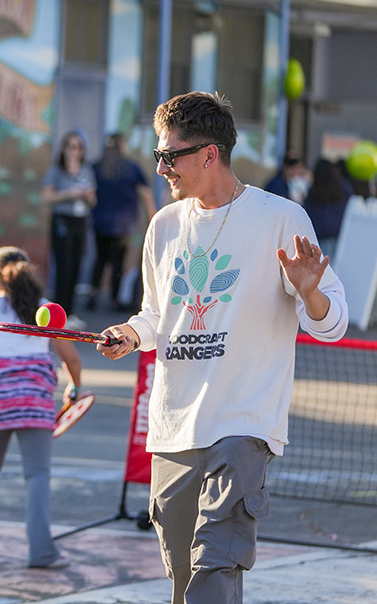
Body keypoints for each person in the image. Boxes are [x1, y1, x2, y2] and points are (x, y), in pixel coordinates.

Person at [97, 91, 348, 604]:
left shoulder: (282, 218)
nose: (161, 167)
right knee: (183, 575)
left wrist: (309, 292)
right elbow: (153, 314)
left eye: (171, 155)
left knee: (217, 565)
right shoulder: (163, 226)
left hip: (243, 422)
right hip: (174, 425)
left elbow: (333, 325)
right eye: (159, 155)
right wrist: (130, 335)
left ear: (209, 154)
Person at [0, 246, 82, 569]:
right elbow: (71, 358)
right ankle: (41, 552)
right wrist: (74, 388)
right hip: (35, 401)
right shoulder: (46, 309)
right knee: (37, 473)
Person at [87, 132, 156, 312]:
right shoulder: (131, 168)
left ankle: (93, 294)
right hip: (123, 224)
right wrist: (153, 216)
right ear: (122, 145)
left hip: (100, 221)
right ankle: (114, 299)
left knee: (100, 259)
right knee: (118, 261)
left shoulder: (96, 167)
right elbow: (145, 194)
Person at [42, 130, 95, 329]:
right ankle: (58, 313)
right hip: (62, 219)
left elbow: (93, 200)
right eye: (72, 146)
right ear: (64, 149)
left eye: (79, 147)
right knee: (62, 265)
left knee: (75, 265)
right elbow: (47, 198)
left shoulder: (86, 170)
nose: (75, 151)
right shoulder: (56, 171)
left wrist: (87, 196)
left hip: (80, 220)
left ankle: (70, 312)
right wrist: (69, 194)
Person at [302, 158, 354, 257]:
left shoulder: (314, 190)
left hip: (319, 237)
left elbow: (307, 211)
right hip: (340, 235)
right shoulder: (344, 188)